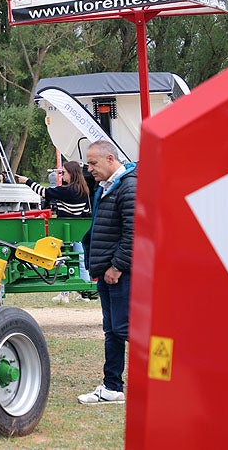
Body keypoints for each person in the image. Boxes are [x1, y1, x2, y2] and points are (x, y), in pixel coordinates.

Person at [77, 140, 137, 405]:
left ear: (110, 159)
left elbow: (133, 232)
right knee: (113, 330)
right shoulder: (106, 187)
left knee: (126, 329)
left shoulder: (128, 186)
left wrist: (117, 266)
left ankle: (164, 379)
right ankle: (112, 386)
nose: (89, 169)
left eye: (93, 163)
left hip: (121, 273)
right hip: (107, 272)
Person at [17, 160, 92, 302]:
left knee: (62, 260)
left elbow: (44, 192)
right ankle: (85, 290)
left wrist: (27, 181)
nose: (62, 175)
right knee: (80, 259)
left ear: (71, 174)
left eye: (64, 172)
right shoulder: (84, 189)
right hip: (78, 230)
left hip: (63, 230)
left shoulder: (67, 190)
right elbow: (87, 211)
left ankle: (65, 293)